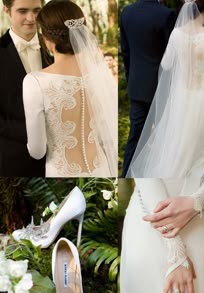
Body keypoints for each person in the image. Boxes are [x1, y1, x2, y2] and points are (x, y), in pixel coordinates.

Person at [126, 0, 204, 178]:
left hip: (180, 95)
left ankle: (173, 176)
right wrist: (203, 73)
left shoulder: (176, 34)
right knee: (200, 142)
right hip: (203, 96)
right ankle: (195, 178)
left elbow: (166, 64)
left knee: (178, 139)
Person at [22, 0, 117, 177]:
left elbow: (37, 151)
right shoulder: (99, 73)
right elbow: (107, 133)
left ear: (46, 38)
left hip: (62, 174)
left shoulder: (35, 82)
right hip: (101, 169)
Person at [120, 0, 175, 177]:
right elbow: (172, 54)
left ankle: (126, 175)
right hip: (161, 87)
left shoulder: (127, 12)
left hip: (137, 85)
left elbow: (126, 52)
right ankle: (158, 176)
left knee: (135, 135)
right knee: (162, 136)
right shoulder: (166, 14)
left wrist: (132, 80)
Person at [0, 0, 51, 176]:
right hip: (14, 161)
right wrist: (36, 132)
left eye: (37, 11)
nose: (31, 18)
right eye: (22, 11)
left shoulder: (58, 49)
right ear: (7, 10)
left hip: (59, 160)